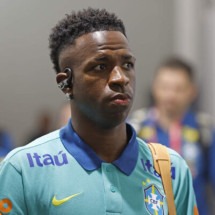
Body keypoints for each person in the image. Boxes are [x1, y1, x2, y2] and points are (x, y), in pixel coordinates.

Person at [0, 8, 198, 214]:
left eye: (127, 64)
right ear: (66, 83)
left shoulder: (171, 169)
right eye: (100, 67)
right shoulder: (23, 169)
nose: (120, 78)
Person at [128, 57, 214, 215]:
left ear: (192, 91)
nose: (170, 95)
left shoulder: (205, 131)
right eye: (165, 87)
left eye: (179, 89)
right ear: (154, 87)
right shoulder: (134, 128)